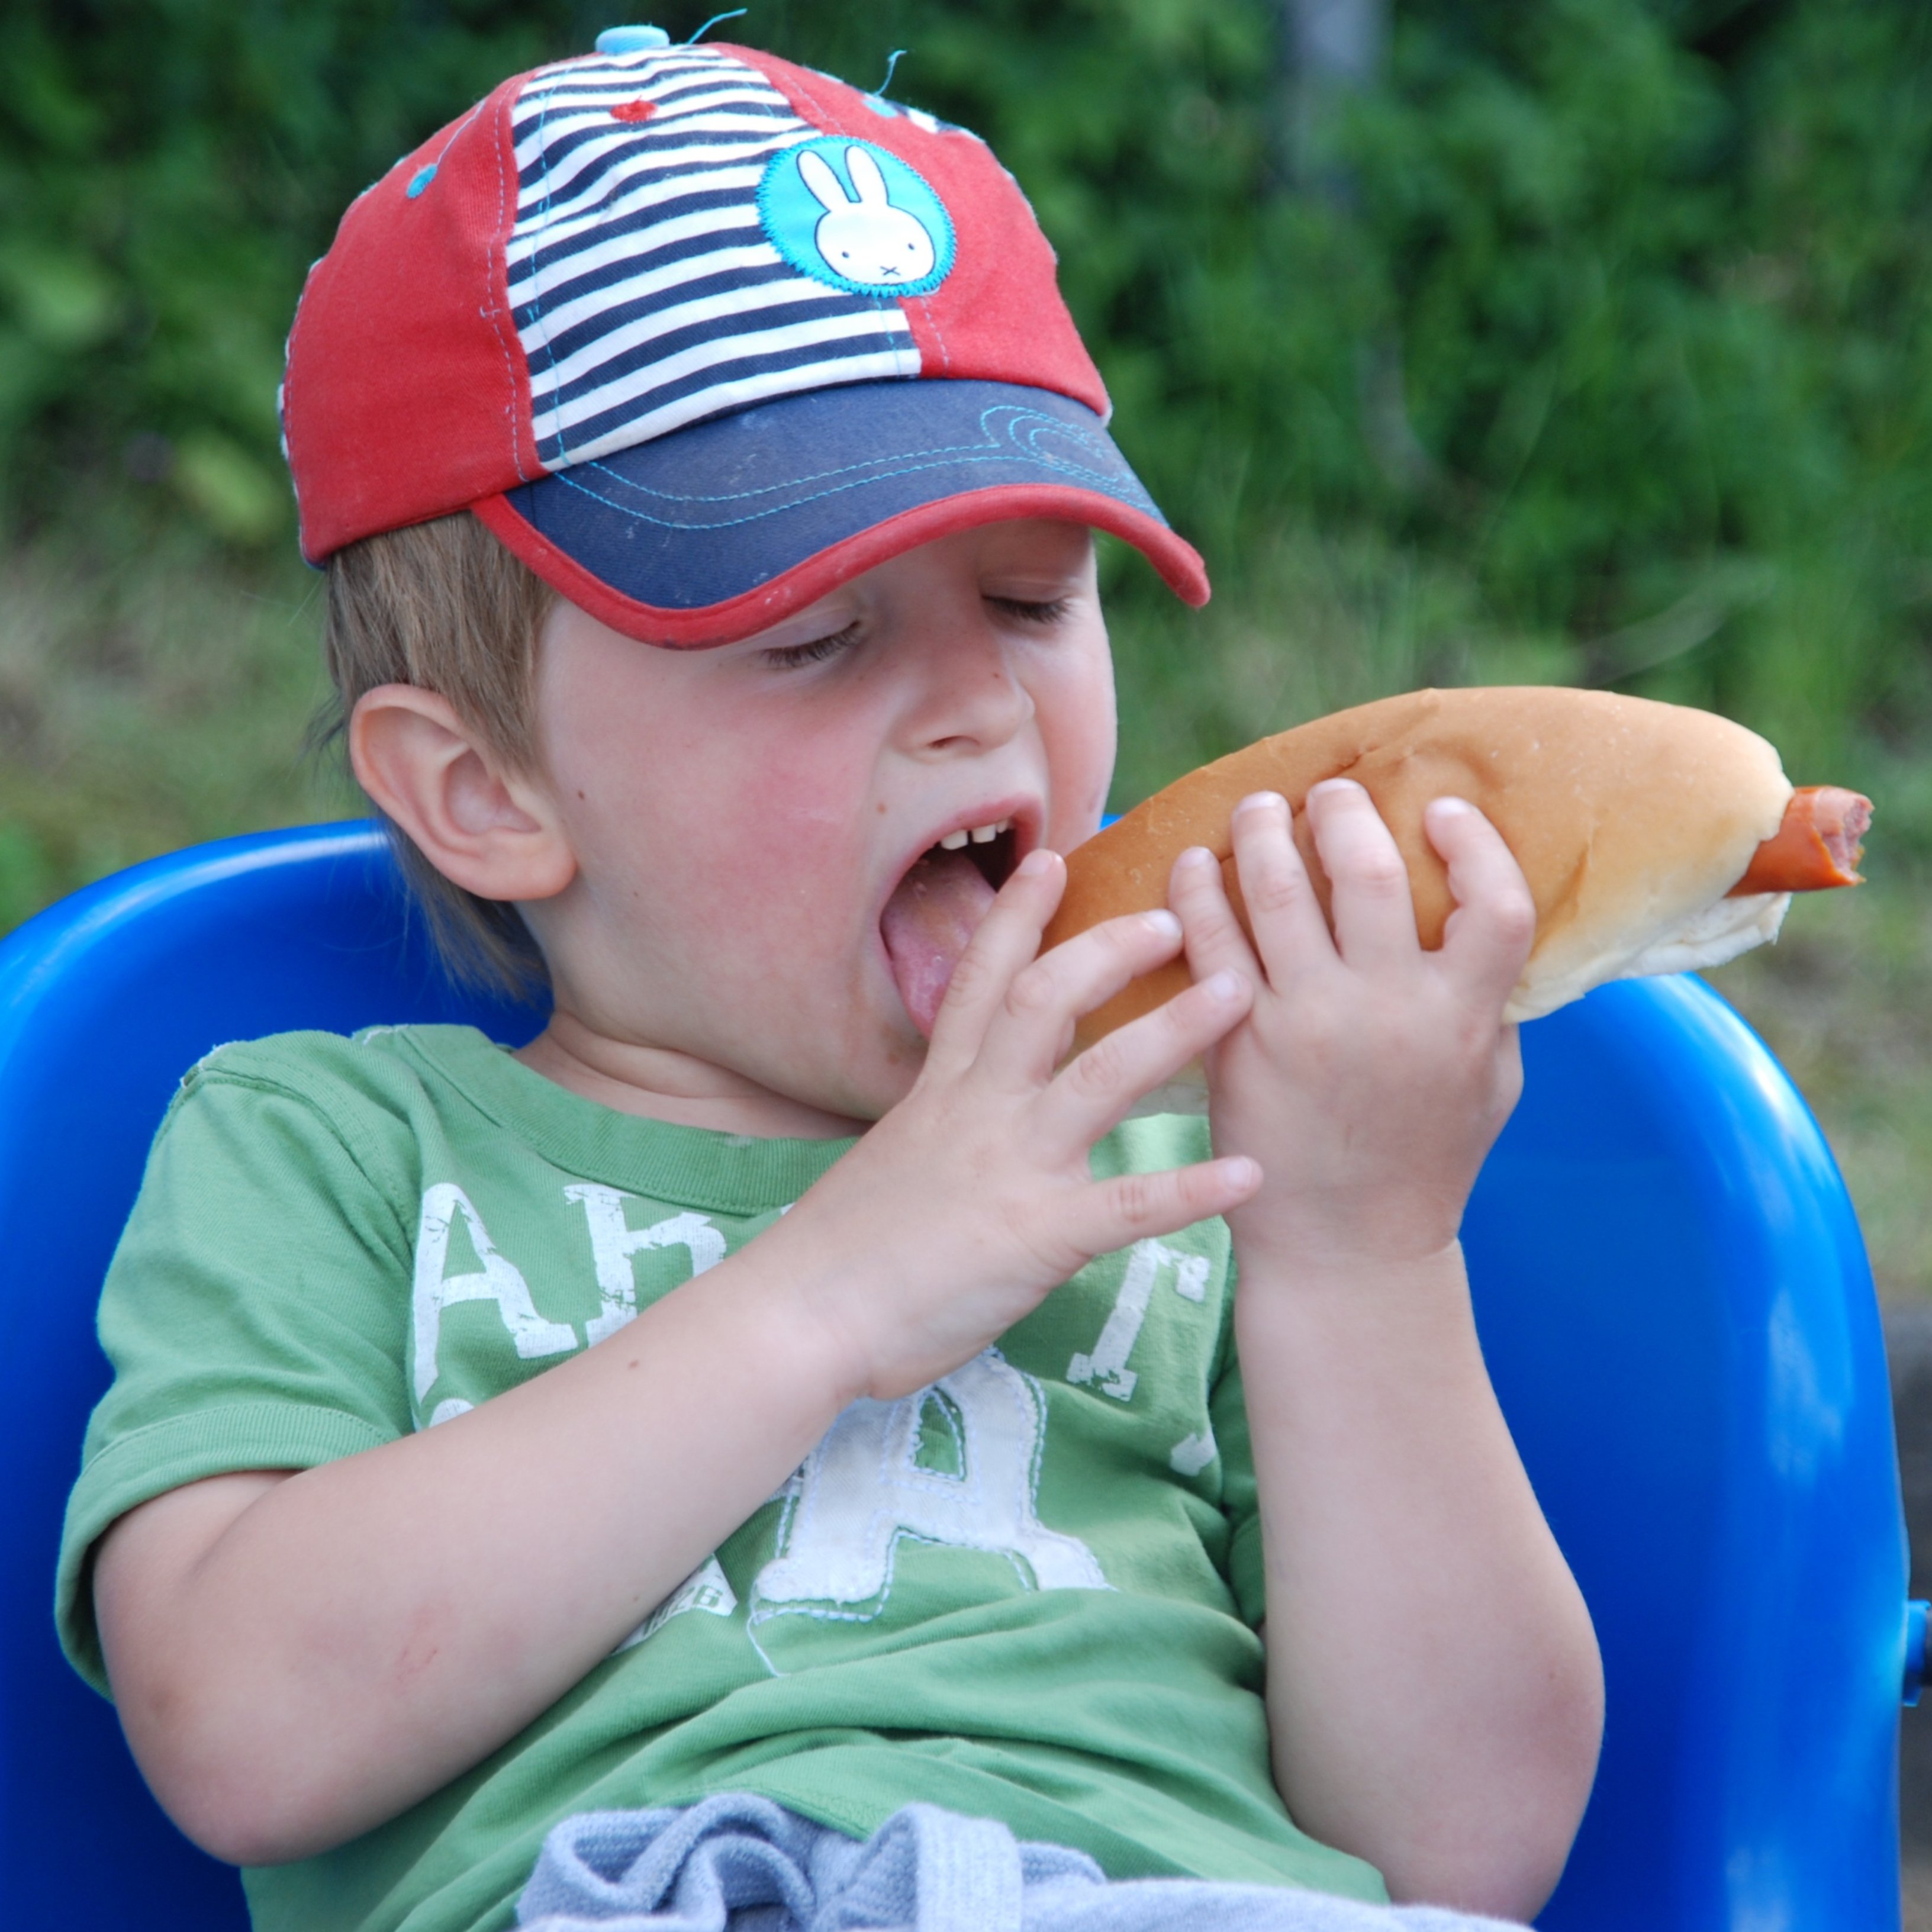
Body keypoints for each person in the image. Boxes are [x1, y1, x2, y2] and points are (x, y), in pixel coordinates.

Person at [55, 30, 1603, 1932]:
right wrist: (845, 1285)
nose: (977, 702)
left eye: (1033, 603)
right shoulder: (332, 1145)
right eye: (815, 640)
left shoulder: (1219, 1161)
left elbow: (1465, 1859)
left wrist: (1368, 1252)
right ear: (488, 789)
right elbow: (241, 1728)